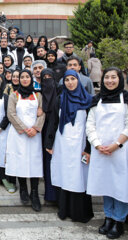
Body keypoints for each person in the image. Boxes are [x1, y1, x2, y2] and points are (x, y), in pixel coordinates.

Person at [45, 70, 93, 223]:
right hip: (62, 144)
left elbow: (92, 125)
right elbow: (53, 122)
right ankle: (64, 209)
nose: (70, 82)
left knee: (79, 177)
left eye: (73, 79)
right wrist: (49, 143)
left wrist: (89, 149)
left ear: (79, 81)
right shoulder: (60, 99)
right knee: (65, 175)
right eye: (67, 80)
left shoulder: (88, 101)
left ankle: (79, 212)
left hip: (81, 145)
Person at [86, 67, 128, 239]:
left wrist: (116, 144)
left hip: (121, 150)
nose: (110, 81)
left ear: (120, 79)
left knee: (120, 185)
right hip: (101, 150)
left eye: (114, 77)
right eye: (107, 78)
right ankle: (108, 217)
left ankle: (119, 220)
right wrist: (97, 145)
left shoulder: (125, 99)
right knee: (105, 184)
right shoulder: (97, 100)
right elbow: (90, 125)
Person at [5, 70, 45, 212]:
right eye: (22, 77)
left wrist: (35, 128)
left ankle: (34, 192)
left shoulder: (38, 95)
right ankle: (23, 189)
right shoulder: (14, 95)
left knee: (34, 162)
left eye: (27, 77)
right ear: (19, 80)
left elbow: (42, 112)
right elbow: (11, 114)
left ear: (31, 78)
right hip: (18, 134)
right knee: (20, 161)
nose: (25, 79)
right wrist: (24, 129)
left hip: (34, 134)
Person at [40, 68, 59, 203]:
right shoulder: (39, 93)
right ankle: (50, 195)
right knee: (47, 162)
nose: (47, 79)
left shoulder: (60, 92)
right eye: (44, 77)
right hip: (43, 130)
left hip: (58, 130)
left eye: (49, 76)